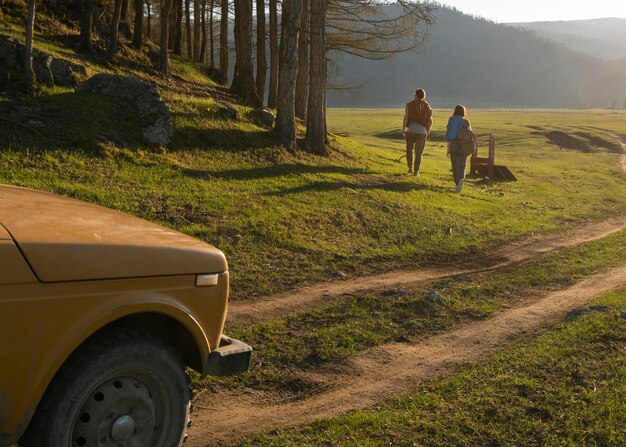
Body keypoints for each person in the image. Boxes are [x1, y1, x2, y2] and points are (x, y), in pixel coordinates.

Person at [402, 88, 433, 176]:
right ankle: (416, 171)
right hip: (422, 131)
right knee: (419, 153)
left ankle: (410, 168)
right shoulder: (428, 106)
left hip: (411, 130)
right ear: (424, 96)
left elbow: (406, 117)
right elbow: (430, 121)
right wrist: (428, 131)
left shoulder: (409, 104)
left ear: (415, 95)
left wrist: (404, 128)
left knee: (409, 150)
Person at [446, 104, 474, 193]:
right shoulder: (466, 121)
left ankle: (457, 181)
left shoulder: (451, 120)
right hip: (464, 144)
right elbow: (469, 135)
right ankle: (462, 178)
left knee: (454, 164)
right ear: (463, 112)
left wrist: (448, 149)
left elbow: (449, 134)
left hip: (454, 143)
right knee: (462, 164)